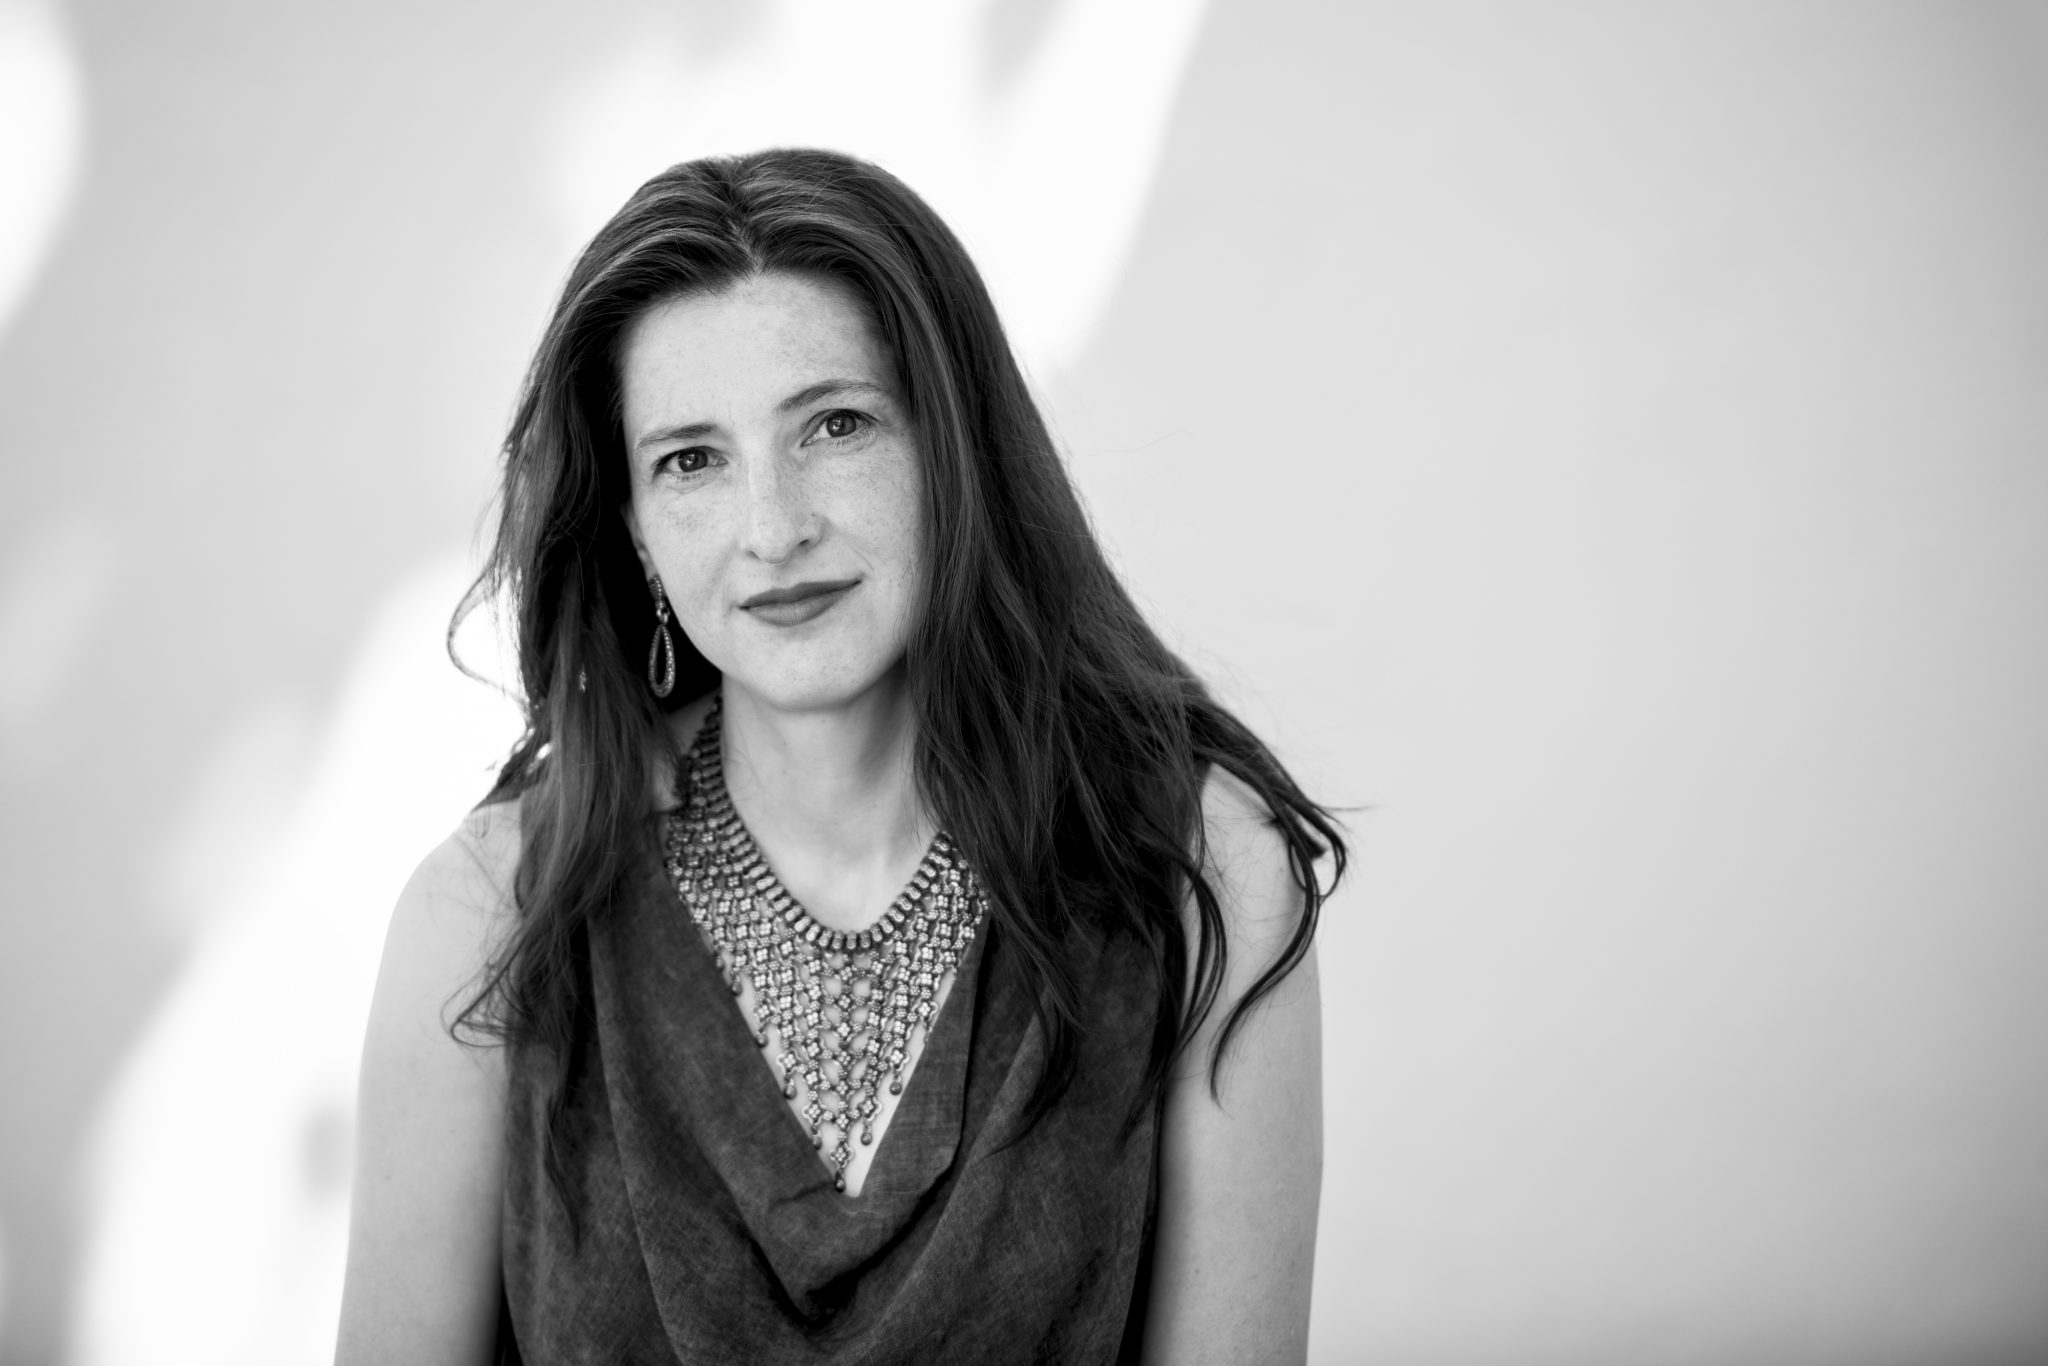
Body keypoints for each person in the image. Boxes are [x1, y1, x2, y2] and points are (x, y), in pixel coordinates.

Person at [335, 148, 1345, 1365]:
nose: (774, 528)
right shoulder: (485, 911)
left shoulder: (1204, 873)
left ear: (954, 449)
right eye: (690, 459)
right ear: (634, 529)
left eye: (836, 425)